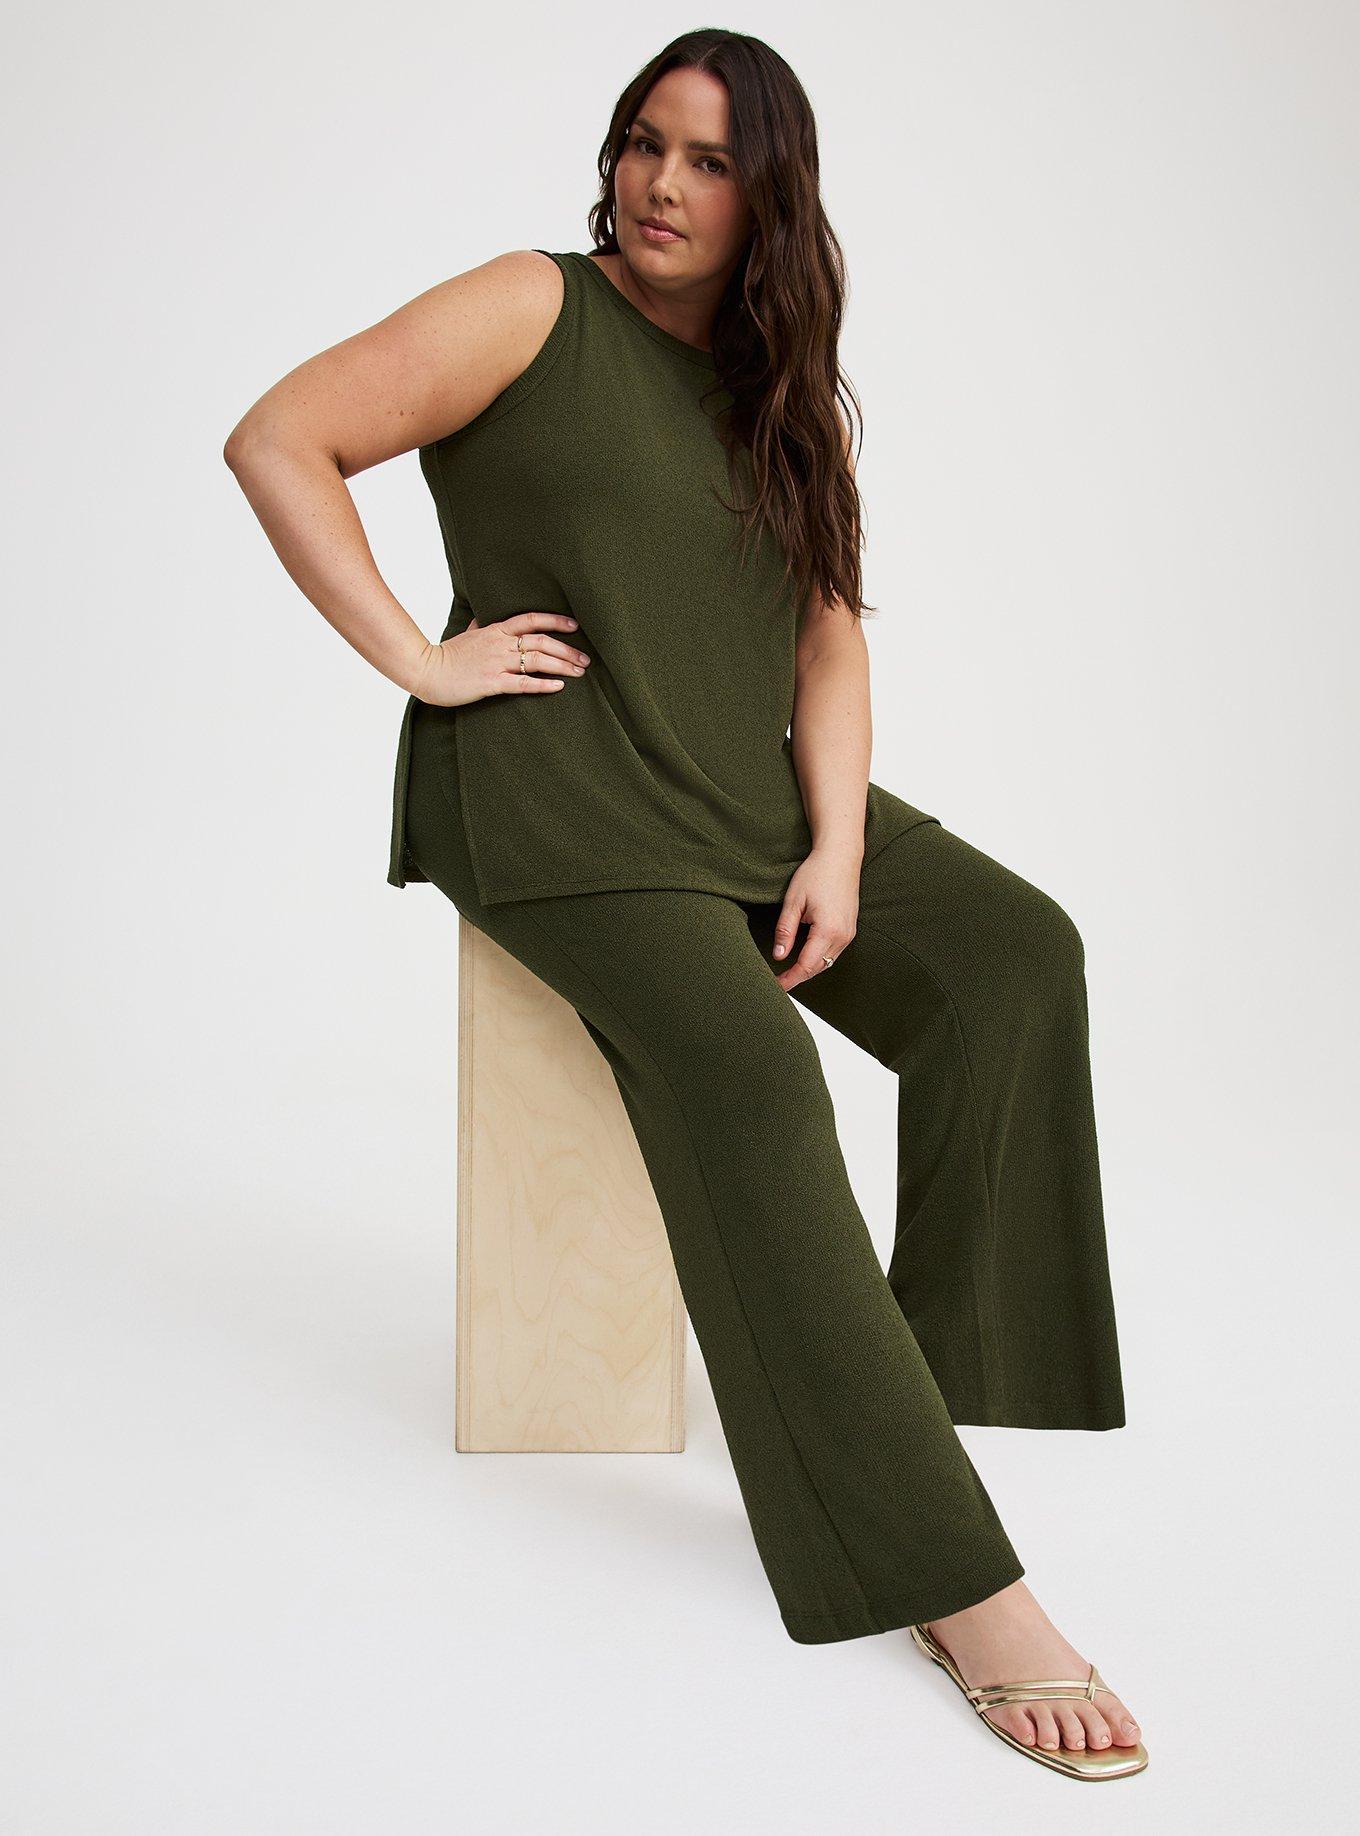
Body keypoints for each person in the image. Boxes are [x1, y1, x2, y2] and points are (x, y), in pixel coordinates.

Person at [224, 28, 1147, 1784]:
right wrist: (422, 658)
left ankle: (907, 1397)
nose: (659, 183)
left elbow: (829, 635)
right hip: (562, 801)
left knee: (1014, 958)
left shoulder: (783, 386)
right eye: (645, 142)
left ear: (769, 197)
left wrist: (838, 846)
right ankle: (956, 1580)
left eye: (709, 161)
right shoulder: (533, 306)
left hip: (736, 789)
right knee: (752, 1078)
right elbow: (280, 438)